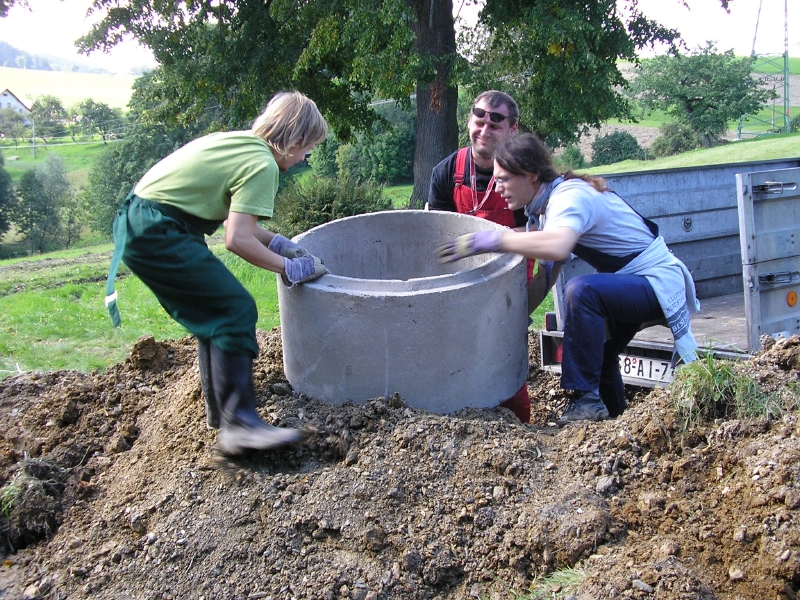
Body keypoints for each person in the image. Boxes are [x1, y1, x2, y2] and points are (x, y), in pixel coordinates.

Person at [104, 91, 330, 455]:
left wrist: (280, 244)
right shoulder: (264, 165)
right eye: (309, 149)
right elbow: (237, 238)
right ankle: (239, 426)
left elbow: (239, 220)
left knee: (216, 312)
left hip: (143, 220)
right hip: (157, 229)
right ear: (297, 140)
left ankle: (225, 417)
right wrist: (292, 268)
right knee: (234, 309)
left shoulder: (241, 145)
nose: (305, 158)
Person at [436, 133, 700, 425]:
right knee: (600, 352)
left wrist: (497, 240)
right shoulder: (548, 210)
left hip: (656, 280)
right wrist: (512, 321)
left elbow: (557, 246)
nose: (498, 189)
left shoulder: (569, 197)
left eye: (504, 179)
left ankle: (584, 399)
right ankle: (615, 422)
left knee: (582, 290)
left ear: (531, 175)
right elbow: (548, 272)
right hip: (633, 279)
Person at [428, 90, 556, 424]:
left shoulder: (527, 177)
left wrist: (527, 298)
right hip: (461, 279)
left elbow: (544, 239)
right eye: (479, 118)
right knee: (453, 354)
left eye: (496, 122)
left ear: (513, 130)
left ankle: (520, 427)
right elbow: (435, 234)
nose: (485, 128)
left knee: (504, 353)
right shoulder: (447, 172)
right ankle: (456, 421)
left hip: (510, 278)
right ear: (469, 121)